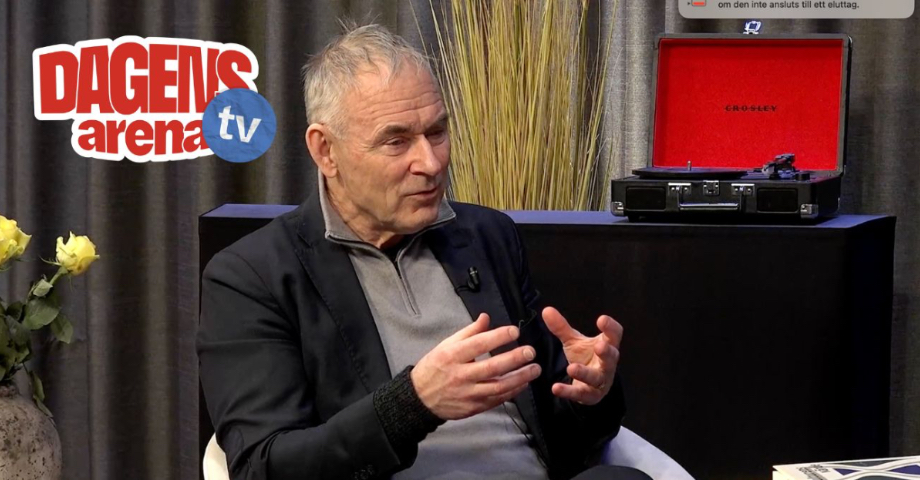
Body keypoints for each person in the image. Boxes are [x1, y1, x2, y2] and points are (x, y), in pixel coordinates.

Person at [198, 23, 646, 480]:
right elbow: (263, 466)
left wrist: (592, 393)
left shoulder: (488, 237)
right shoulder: (253, 277)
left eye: (437, 132)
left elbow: (566, 438)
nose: (430, 163)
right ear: (325, 150)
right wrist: (414, 403)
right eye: (396, 141)